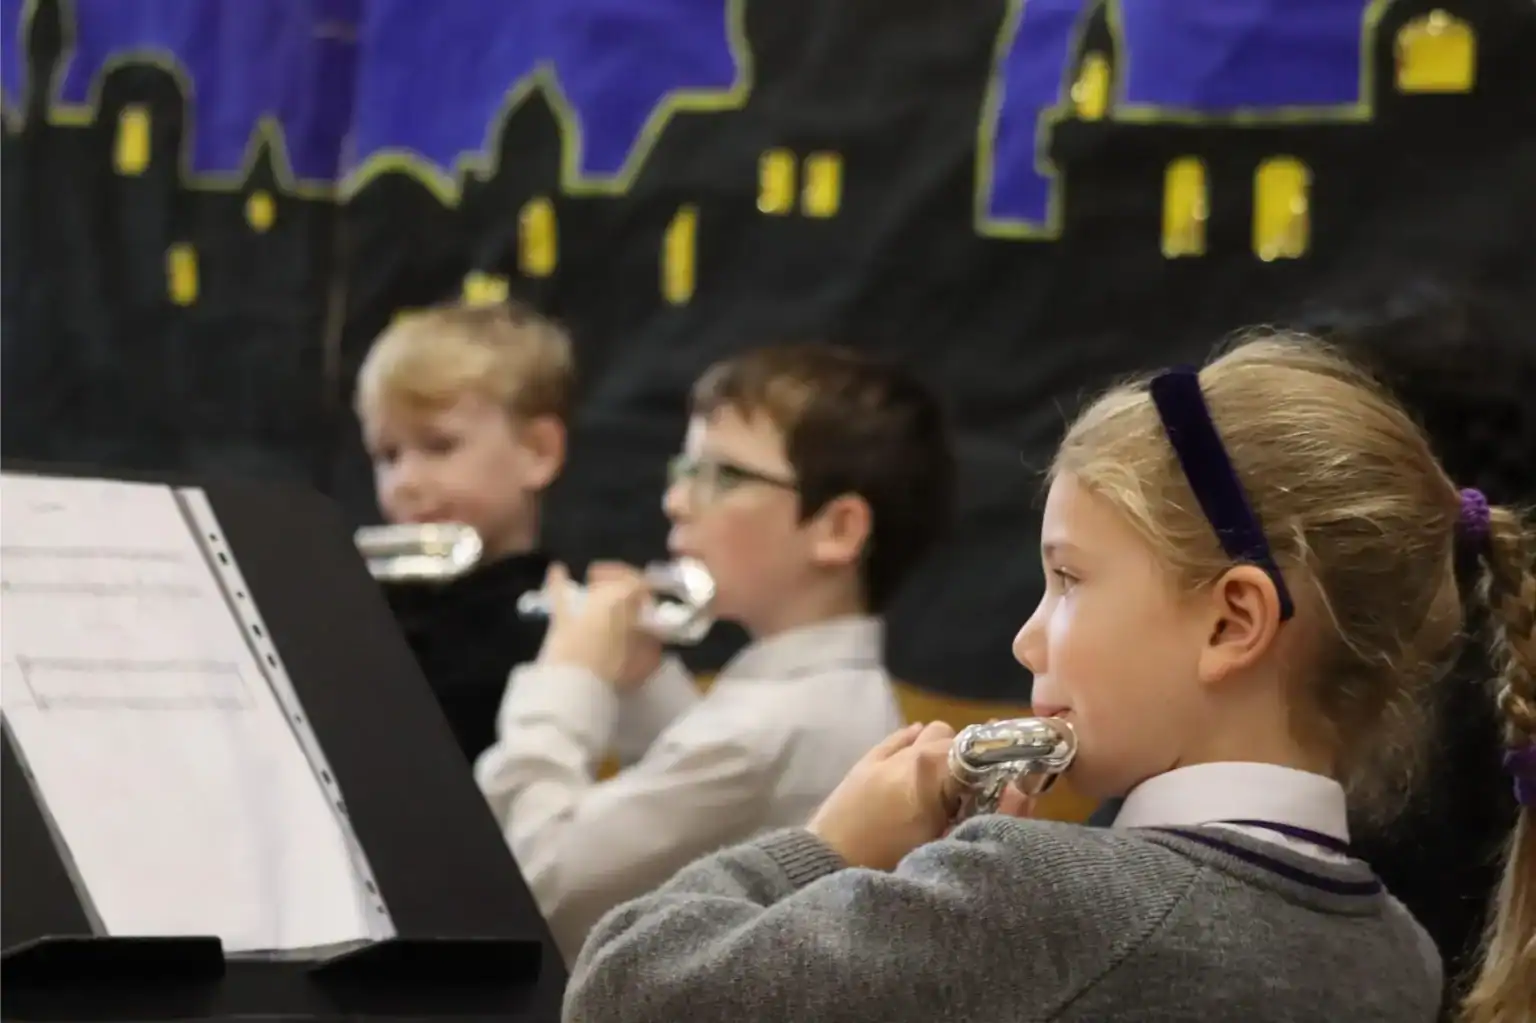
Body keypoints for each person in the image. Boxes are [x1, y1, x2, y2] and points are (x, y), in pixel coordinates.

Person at [563, 334, 1536, 1022]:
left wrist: (829, 848)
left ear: (1233, 621)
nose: (1029, 640)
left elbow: (622, 991)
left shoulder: (1038, 895)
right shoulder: (1395, 954)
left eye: (1068, 580)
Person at [474, 343, 957, 964]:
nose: (676, 501)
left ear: (837, 529)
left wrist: (568, 677)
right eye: (686, 468)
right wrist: (643, 679)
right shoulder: (812, 696)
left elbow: (527, 883)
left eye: (724, 476)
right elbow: (704, 806)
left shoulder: (767, 727)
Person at [355, 299, 570, 762]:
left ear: (538, 451)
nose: (404, 482)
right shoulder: (369, 608)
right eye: (387, 455)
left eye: (439, 446)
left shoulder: (561, 624)